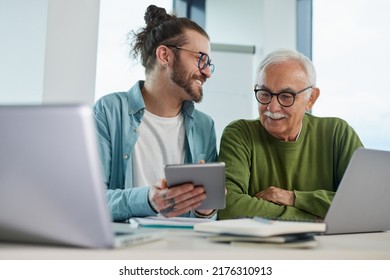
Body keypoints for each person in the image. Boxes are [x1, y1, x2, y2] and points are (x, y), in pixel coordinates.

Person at [93, 5, 218, 222]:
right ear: (165, 56)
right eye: (201, 59)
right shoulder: (109, 111)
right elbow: (90, 201)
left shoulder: (204, 126)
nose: (207, 72)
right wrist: (149, 200)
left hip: (185, 249)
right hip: (125, 248)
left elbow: (206, 220)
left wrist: (205, 209)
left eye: (209, 64)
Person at [218, 48, 364, 221]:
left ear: (311, 98)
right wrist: (314, 218)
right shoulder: (239, 134)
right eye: (264, 94)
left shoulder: (338, 133)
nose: (272, 108)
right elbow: (229, 206)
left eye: (286, 96)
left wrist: (293, 198)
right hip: (257, 247)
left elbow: (363, 203)